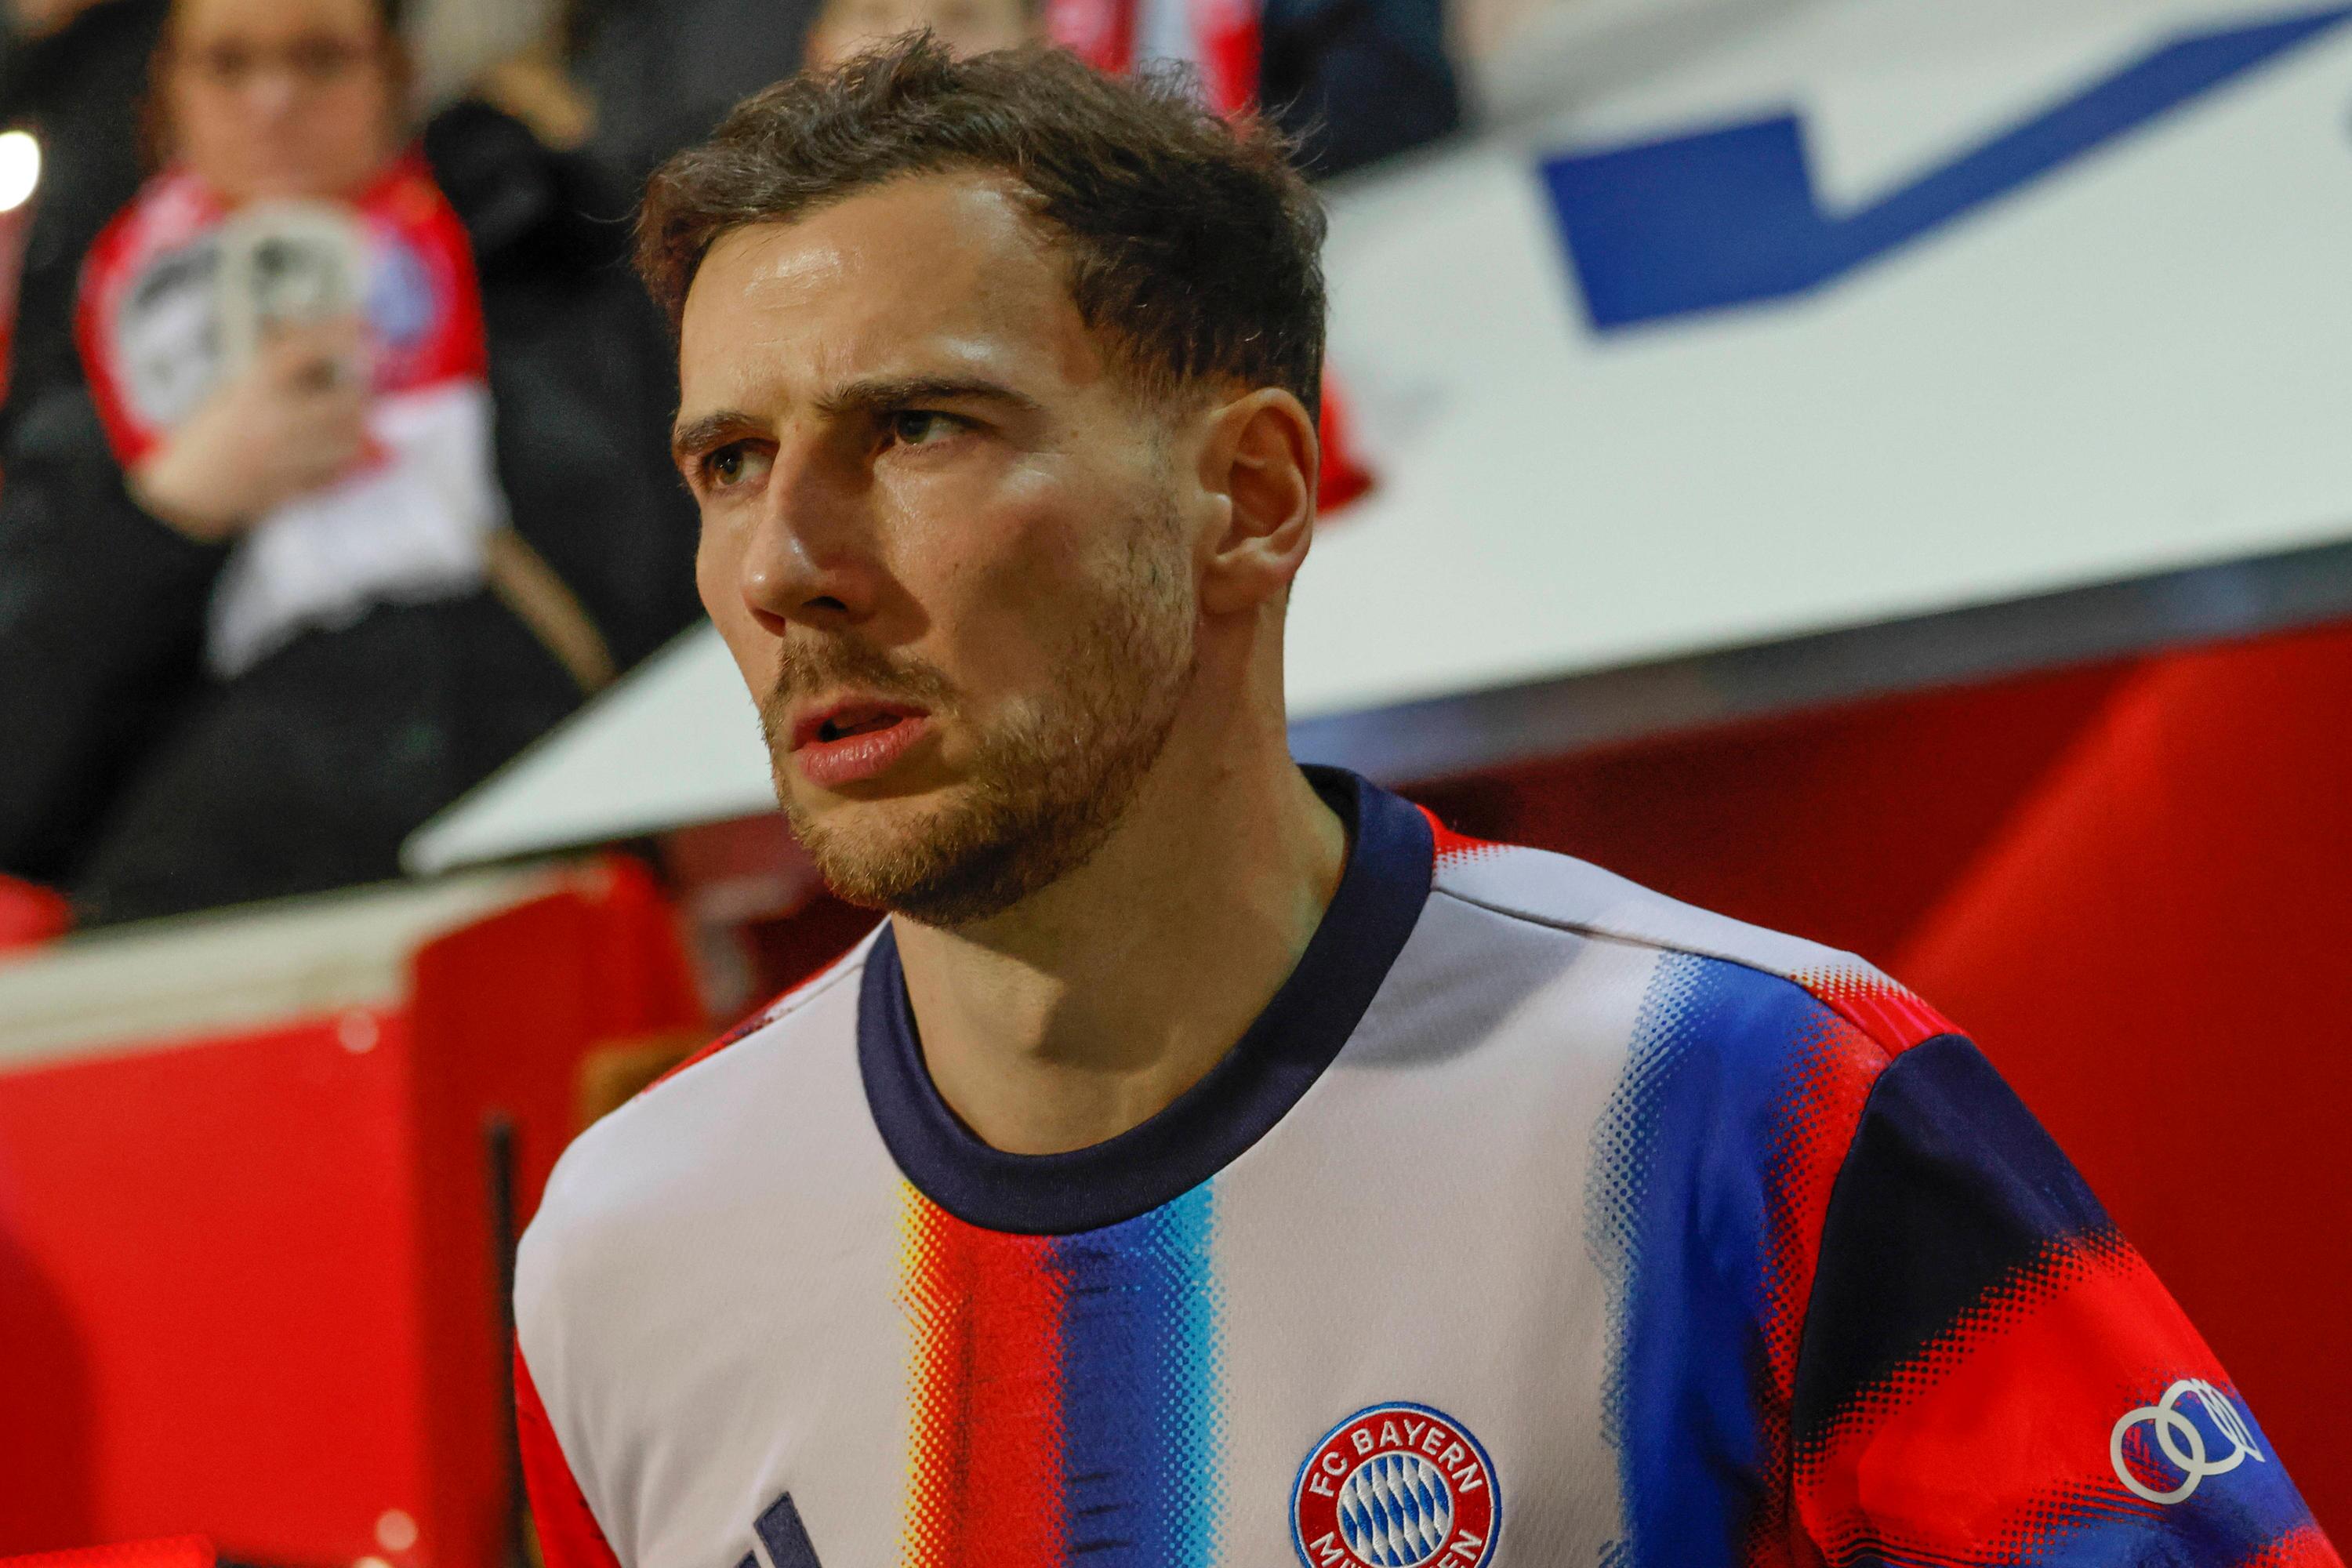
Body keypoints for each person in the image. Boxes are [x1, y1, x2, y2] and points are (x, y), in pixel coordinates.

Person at [511, 40, 2336, 1568]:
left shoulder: (1747, 1097)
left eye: (917, 428)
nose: (783, 564)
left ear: (1247, 497)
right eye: (730, 461)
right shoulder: (632, 1249)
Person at [0, 0, 699, 924]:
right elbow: (19, 778)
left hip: (551, 862)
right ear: (167, 94)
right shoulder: (97, 352)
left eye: (321, 59)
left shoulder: (551, 256)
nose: (274, 100)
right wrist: (166, 513)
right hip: (209, 912)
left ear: (396, 76)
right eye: (229, 65)